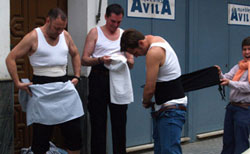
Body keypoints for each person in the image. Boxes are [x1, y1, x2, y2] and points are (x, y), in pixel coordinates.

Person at [6, 8, 84, 154]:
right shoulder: (33, 37)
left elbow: (75, 53)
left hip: (64, 88)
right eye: (56, 28)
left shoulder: (65, 35)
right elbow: (11, 57)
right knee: (41, 139)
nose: (59, 32)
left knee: (74, 136)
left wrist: (77, 75)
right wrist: (17, 82)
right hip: (42, 89)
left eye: (62, 28)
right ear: (48, 20)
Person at [120, 29, 187, 154]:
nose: (136, 56)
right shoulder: (154, 39)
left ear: (140, 43)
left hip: (170, 109)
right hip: (164, 107)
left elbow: (150, 88)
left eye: (135, 52)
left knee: (169, 150)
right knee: (162, 150)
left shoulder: (154, 52)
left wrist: (145, 101)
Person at [81, 3, 134, 154]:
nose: (115, 25)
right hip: (99, 77)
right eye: (112, 21)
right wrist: (100, 60)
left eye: (119, 22)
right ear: (105, 17)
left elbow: (131, 62)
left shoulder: (124, 35)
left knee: (119, 123)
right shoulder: (95, 32)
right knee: (98, 123)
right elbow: (84, 59)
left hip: (119, 79)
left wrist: (127, 60)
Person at [217, 37, 250, 154]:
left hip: (244, 109)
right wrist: (219, 73)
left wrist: (230, 83)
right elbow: (227, 77)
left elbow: (248, 87)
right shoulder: (239, 66)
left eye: (249, 49)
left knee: (241, 144)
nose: (246, 52)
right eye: (244, 49)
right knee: (228, 141)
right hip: (232, 108)